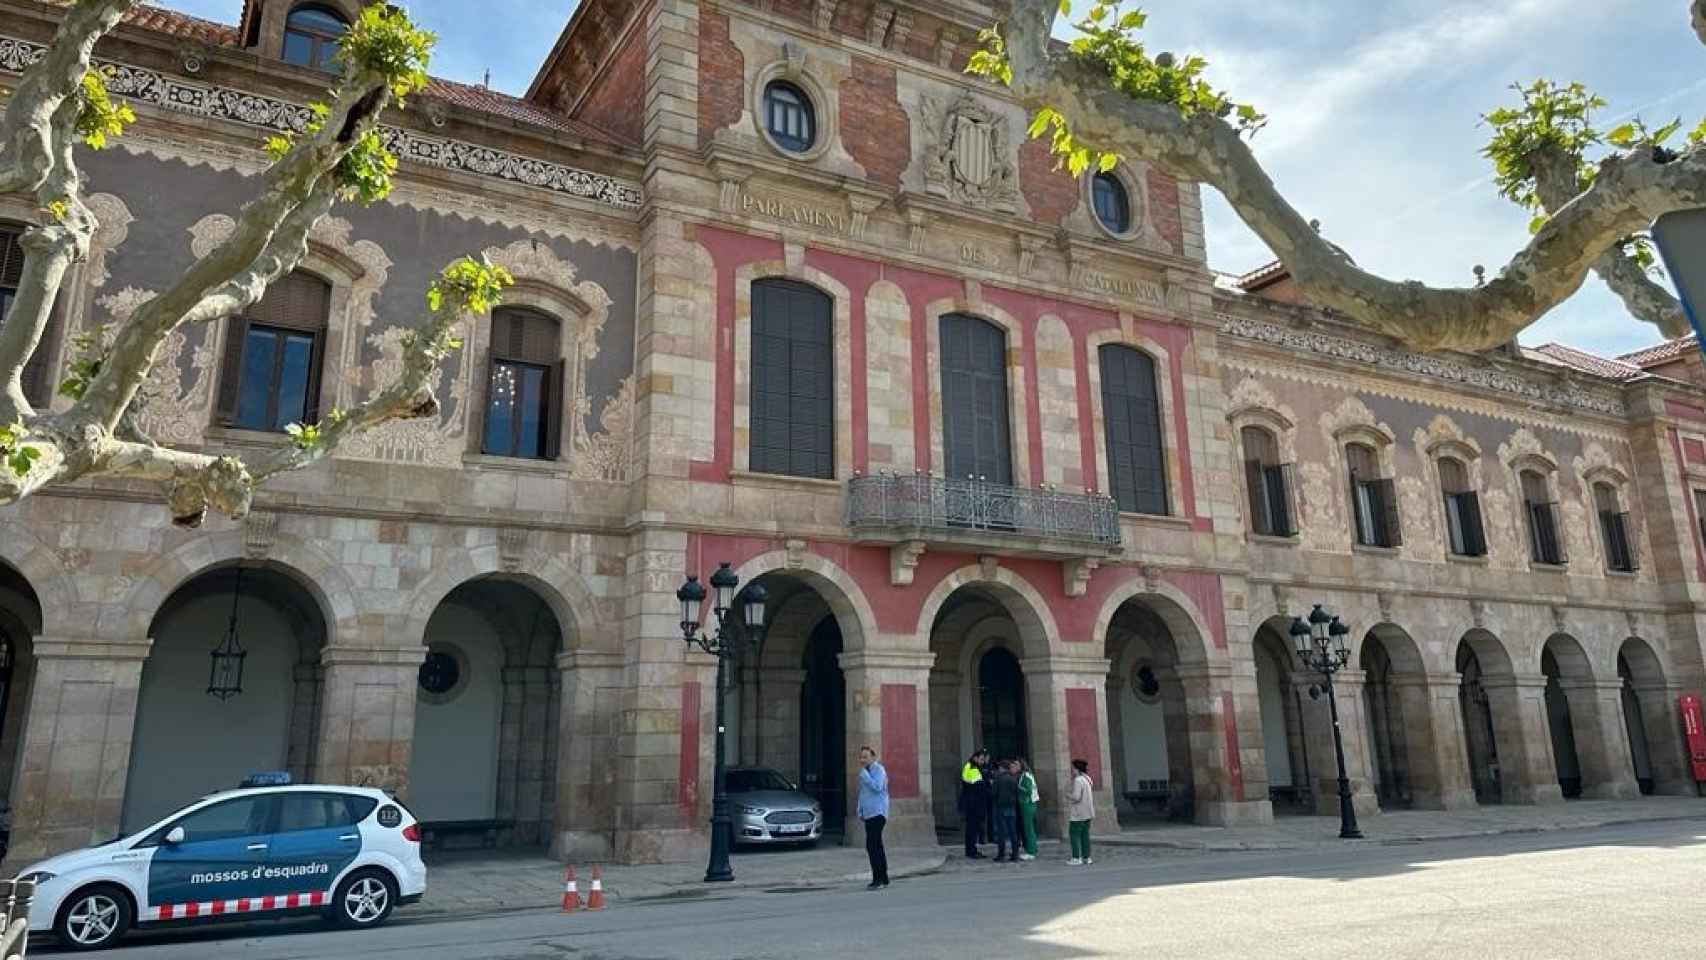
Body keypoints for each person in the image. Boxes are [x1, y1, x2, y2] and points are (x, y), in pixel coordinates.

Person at [857, 745, 890, 889]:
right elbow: (863, 793)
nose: (862, 759)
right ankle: (884, 877)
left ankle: (878, 879)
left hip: (878, 812)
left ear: (873, 757)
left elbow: (877, 787)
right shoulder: (865, 772)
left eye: (866, 757)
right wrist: (860, 810)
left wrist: (865, 776)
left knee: (872, 845)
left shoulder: (879, 770)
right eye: (861, 757)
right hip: (868, 813)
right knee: (876, 845)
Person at [959, 749, 990, 859]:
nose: (983, 762)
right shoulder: (973, 769)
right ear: (975, 758)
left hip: (971, 803)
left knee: (971, 829)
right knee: (972, 829)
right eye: (981, 759)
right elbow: (979, 787)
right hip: (974, 804)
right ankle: (971, 851)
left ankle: (971, 850)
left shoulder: (970, 766)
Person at [991, 760, 1021, 863]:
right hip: (1011, 808)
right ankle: (1015, 854)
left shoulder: (998, 779)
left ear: (1002, 768)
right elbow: (1017, 793)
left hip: (1001, 807)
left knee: (1001, 833)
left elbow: (993, 793)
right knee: (1013, 832)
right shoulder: (1013, 779)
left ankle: (1001, 855)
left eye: (1000, 767)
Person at [1066, 758, 1095, 865]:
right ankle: (1087, 857)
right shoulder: (1087, 778)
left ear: (1077, 769)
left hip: (1078, 812)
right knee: (1085, 835)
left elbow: (1077, 797)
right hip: (1088, 811)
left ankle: (1076, 857)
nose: (1072, 770)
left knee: (1074, 835)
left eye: (1073, 768)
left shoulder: (1078, 780)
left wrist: (1068, 795)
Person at [1016, 759, 1039, 861]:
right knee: (1029, 828)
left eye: (1016, 764)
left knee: (1029, 829)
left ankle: (1031, 851)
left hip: (1027, 804)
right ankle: (1032, 849)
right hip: (1028, 804)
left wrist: (1017, 787)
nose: (1014, 766)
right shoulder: (1026, 775)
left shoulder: (1026, 776)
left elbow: (1028, 790)